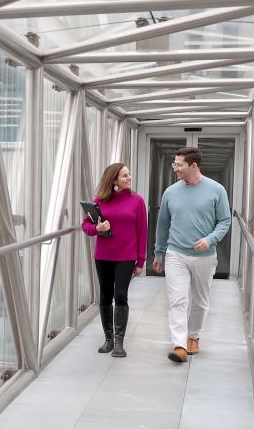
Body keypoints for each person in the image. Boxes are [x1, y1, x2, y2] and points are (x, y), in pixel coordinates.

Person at [153, 147, 232, 363]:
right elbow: (163, 226)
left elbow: (225, 221)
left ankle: (193, 336)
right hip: (175, 253)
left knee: (200, 300)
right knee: (177, 299)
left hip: (205, 256)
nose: (175, 169)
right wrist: (158, 253)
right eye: (174, 164)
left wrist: (210, 239)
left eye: (179, 165)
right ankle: (179, 345)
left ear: (193, 166)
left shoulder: (216, 190)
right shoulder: (170, 192)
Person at [81, 163, 146, 357]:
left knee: (121, 295)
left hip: (126, 256)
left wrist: (141, 261)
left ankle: (119, 342)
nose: (129, 178)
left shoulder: (137, 201)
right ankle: (108, 339)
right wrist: (97, 229)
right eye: (125, 175)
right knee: (105, 296)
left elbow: (142, 232)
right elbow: (86, 226)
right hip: (103, 255)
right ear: (114, 180)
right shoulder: (99, 201)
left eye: (129, 174)